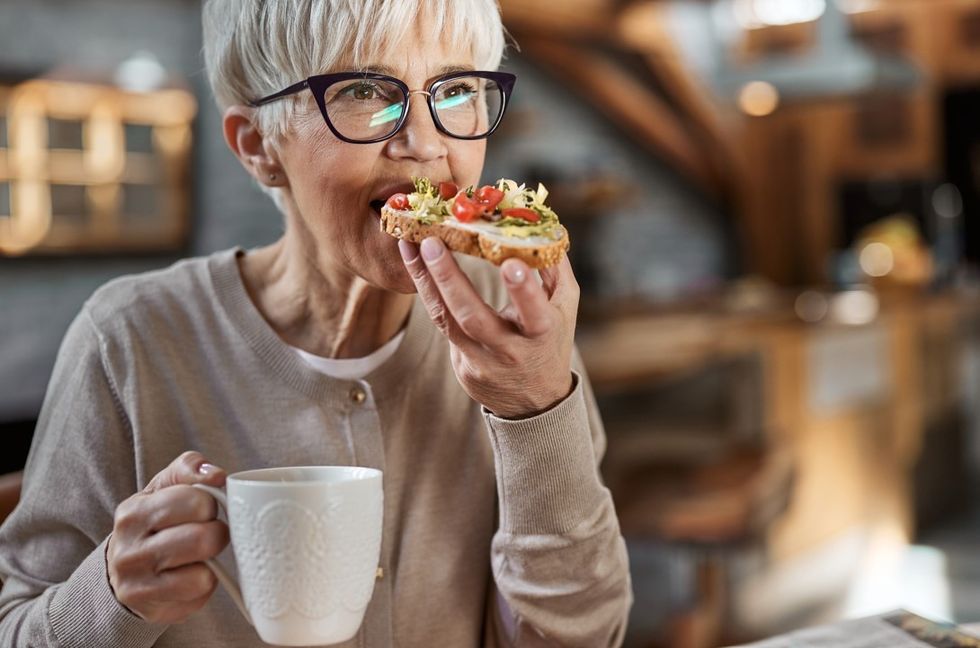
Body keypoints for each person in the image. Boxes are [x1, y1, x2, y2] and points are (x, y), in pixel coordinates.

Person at [0, 0, 632, 645]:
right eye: (364, 90)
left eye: (457, 89)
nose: (426, 142)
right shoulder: (131, 336)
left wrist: (537, 410)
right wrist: (110, 594)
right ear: (258, 146)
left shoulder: (514, 321)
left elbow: (581, 636)